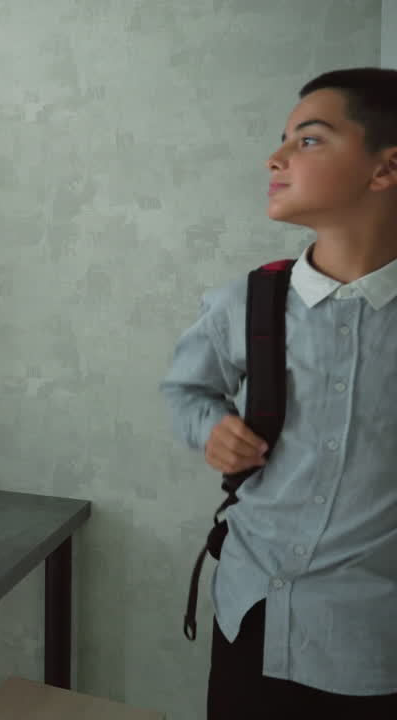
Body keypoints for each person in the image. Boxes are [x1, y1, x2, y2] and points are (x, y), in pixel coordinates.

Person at [161, 68, 397, 718]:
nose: (276, 157)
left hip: (370, 641)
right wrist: (210, 428)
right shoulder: (247, 302)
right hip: (250, 614)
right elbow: (186, 391)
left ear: (385, 168)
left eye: (309, 140)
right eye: (283, 138)